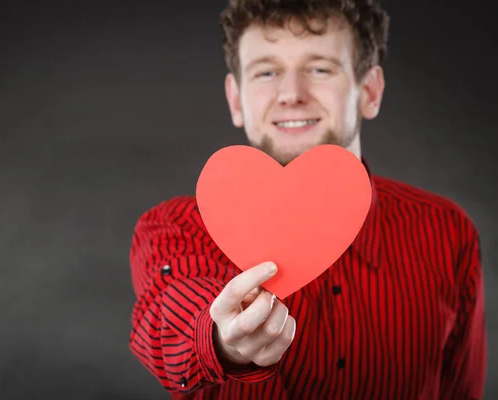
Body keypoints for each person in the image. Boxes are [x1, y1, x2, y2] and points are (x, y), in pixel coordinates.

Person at [128, 0, 487, 398]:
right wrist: (222, 341)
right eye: (266, 72)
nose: (291, 94)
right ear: (235, 100)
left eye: (319, 69)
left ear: (369, 91)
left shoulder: (446, 231)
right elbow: (168, 319)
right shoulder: (176, 228)